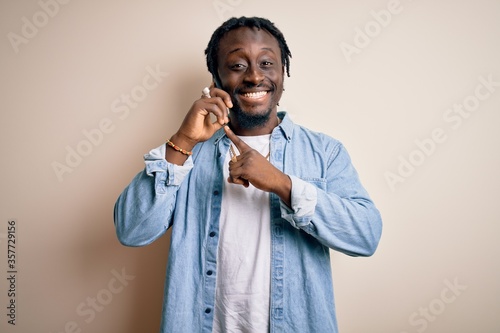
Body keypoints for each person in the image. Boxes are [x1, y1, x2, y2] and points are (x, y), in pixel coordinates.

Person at [114, 16, 382, 333]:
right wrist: (183, 140)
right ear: (215, 80)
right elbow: (132, 230)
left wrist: (283, 184)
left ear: (284, 74)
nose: (255, 76)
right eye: (238, 65)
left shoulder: (325, 152)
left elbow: (365, 236)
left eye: (267, 63)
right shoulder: (188, 153)